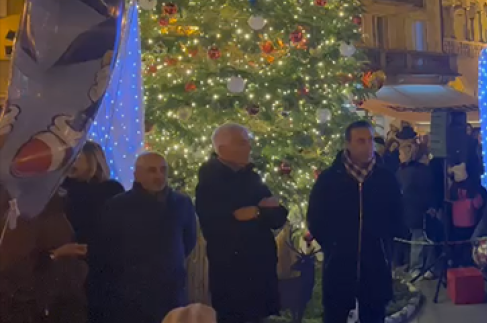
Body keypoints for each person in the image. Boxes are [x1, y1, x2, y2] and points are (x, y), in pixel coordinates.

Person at [307, 121, 405, 323]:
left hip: (376, 264)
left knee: (374, 314)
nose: (368, 145)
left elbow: (397, 215)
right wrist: (333, 244)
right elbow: (316, 217)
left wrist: (385, 241)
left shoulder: (385, 179)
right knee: (335, 314)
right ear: (348, 144)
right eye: (361, 141)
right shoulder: (329, 179)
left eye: (370, 140)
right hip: (339, 265)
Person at [196, 124, 288, 323]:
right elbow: (216, 225)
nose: (248, 148)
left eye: (248, 142)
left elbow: (277, 215)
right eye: (241, 143)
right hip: (232, 274)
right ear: (222, 150)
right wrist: (258, 210)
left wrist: (256, 211)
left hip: (260, 269)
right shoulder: (210, 182)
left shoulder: (251, 177)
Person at [100, 153, 197, 323]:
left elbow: (188, 240)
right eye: (152, 170)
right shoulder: (118, 206)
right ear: (137, 174)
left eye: (163, 170)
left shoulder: (181, 203)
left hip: (171, 287)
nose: (159, 176)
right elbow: (109, 247)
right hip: (132, 290)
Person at [0, 185, 88, 323]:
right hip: (36, 301)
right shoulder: (27, 214)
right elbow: (17, 268)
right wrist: (56, 254)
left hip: (49, 296)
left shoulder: (46, 211)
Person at [61, 140, 125, 322]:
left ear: (92, 160)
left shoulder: (110, 190)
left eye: (78, 157)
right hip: (68, 259)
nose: (72, 162)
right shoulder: (61, 190)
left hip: (102, 263)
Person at [396, 139, 435, 276]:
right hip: (418, 209)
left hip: (411, 209)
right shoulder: (423, 170)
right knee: (422, 239)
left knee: (417, 239)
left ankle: (416, 267)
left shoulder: (403, 171)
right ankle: (424, 267)